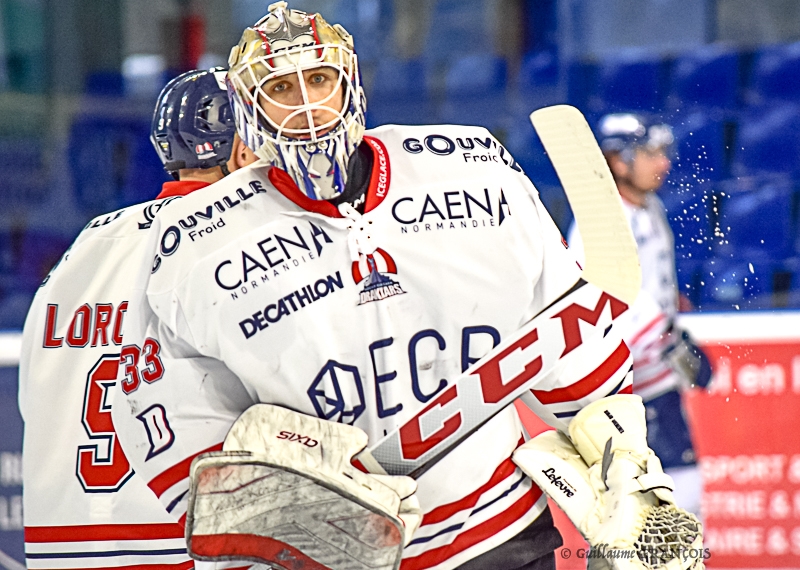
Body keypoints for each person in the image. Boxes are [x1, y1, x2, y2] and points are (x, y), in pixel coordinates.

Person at [110, 5, 681, 570]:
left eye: (318, 78)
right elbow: (164, 418)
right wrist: (271, 513)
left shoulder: (474, 171)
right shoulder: (197, 245)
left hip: (500, 537)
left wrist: (628, 481)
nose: (307, 106)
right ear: (249, 108)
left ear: (350, 82)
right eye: (281, 88)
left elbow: (567, 342)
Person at [17, 67, 255, 570]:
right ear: (243, 150)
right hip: (179, 551)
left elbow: (32, 395)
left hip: (59, 549)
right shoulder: (248, 245)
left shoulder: (86, 247)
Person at [567, 112, 712, 517]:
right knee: (657, 500)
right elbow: (602, 302)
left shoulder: (649, 209)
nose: (663, 163)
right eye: (650, 153)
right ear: (618, 161)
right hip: (626, 386)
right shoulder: (601, 223)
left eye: (663, 152)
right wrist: (670, 337)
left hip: (653, 375)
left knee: (680, 487)